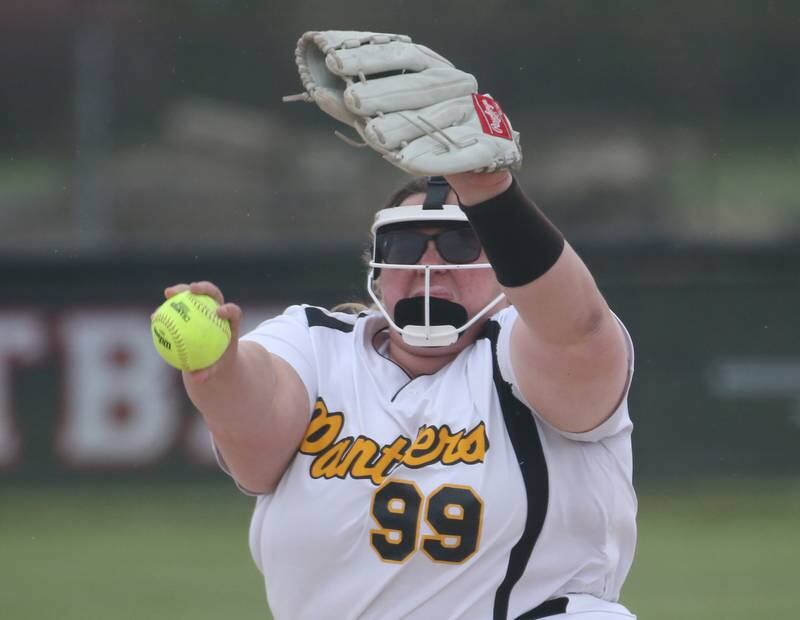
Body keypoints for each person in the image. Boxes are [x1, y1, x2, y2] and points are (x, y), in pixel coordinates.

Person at [160, 31, 637, 620]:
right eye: (406, 245)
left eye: (463, 244)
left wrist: (489, 189)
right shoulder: (315, 344)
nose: (430, 264)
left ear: (504, 269)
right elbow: (257, 431)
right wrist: (219, 371)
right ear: (376, 269)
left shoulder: (517, 349)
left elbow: (579, 332)